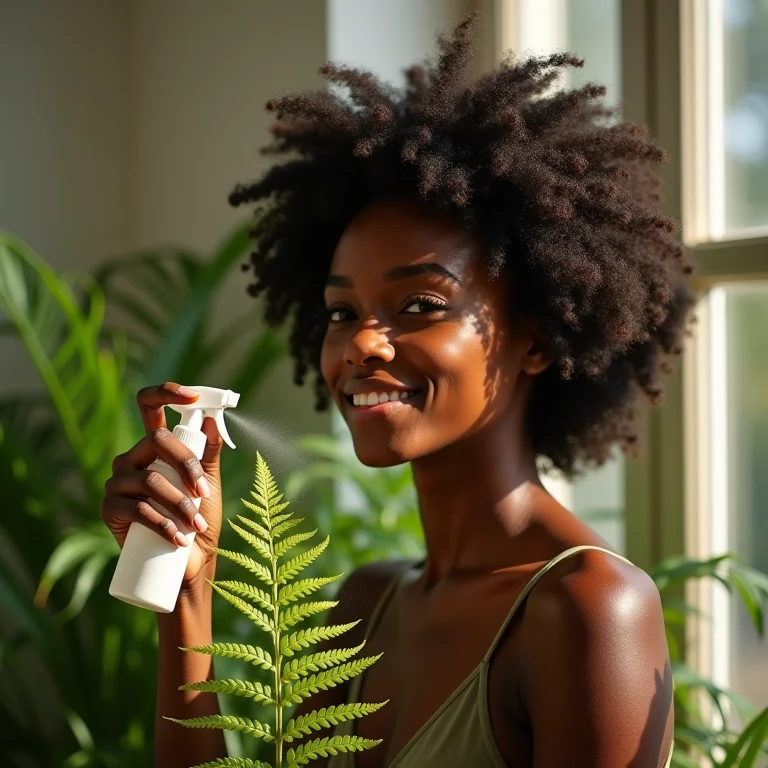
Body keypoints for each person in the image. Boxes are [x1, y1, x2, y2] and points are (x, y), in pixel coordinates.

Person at [101, 14, 691, 768]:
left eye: (419, 307)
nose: (361, 344)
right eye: (343, 312)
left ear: (537, 337)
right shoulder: (364, 606)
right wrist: (188, 593)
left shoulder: (587, 609)